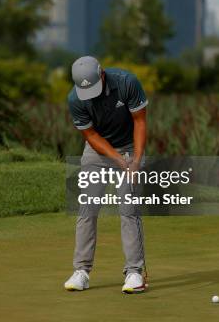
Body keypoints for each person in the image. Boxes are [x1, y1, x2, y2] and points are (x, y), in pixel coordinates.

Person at [64, 56, 149, 294]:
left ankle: (134, 273)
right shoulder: (75, 99)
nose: (89, 94)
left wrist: (135, 161)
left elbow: (140, 122)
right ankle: (81, 271)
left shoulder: (126, 82)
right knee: (87, 208)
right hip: (98, 151)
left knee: (128, 209)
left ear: (102, 75)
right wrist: (117, 160)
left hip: (131, 146)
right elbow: (91, 136)